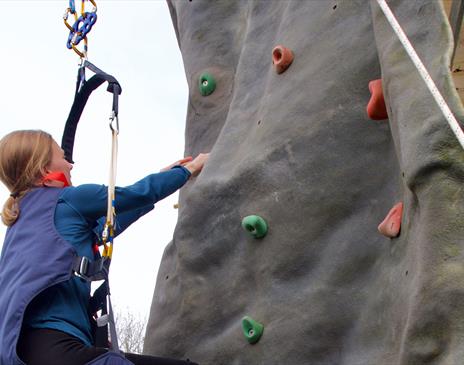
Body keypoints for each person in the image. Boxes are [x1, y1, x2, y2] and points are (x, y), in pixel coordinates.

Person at [0, 130, 207, 365]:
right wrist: (187, 170)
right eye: (62, 158)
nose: (70, 165)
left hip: (33, 351)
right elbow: (133, 195)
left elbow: (109, 224)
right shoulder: (68, 199)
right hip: (55, 346)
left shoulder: (25, 221)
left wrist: (163, 176)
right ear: (43, 169)